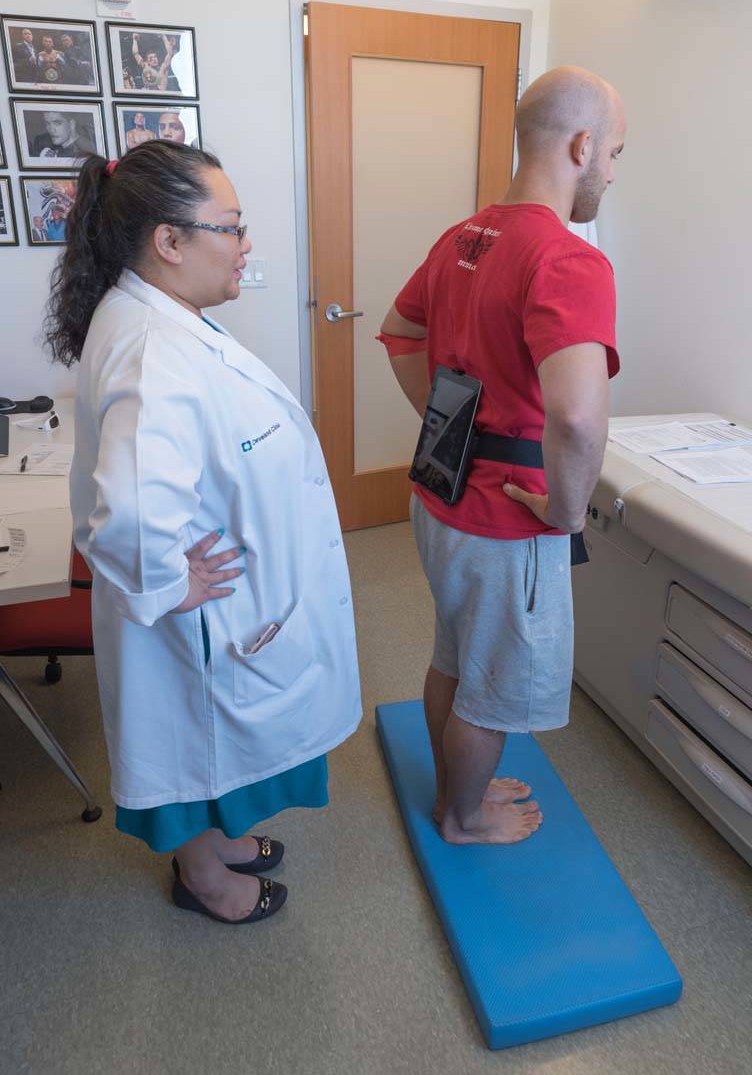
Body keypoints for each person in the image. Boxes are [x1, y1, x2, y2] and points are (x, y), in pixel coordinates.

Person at [43, 141, 362, 923]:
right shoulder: (155, 350)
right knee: (190, 745)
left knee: (201, 743)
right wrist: (165, 580)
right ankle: (205, 883)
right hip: (199, 618)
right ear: (170, 242)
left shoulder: (160, 315)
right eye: (232, 227)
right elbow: (129, 507)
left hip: (216, 607)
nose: (246, 245)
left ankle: (213, 849)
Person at [378, 65, 625, 845]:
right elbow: (578, 418)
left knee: (454, 652)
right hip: (505, 521)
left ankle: (456, 786)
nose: (612, 171)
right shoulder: (567, 259)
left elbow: (397, 329)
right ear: (582, 145)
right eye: (616, 153)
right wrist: (564, 507)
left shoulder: (466, 237)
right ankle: (462, 815)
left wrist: (444, 425)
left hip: (440, 500)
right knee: (488, 683)